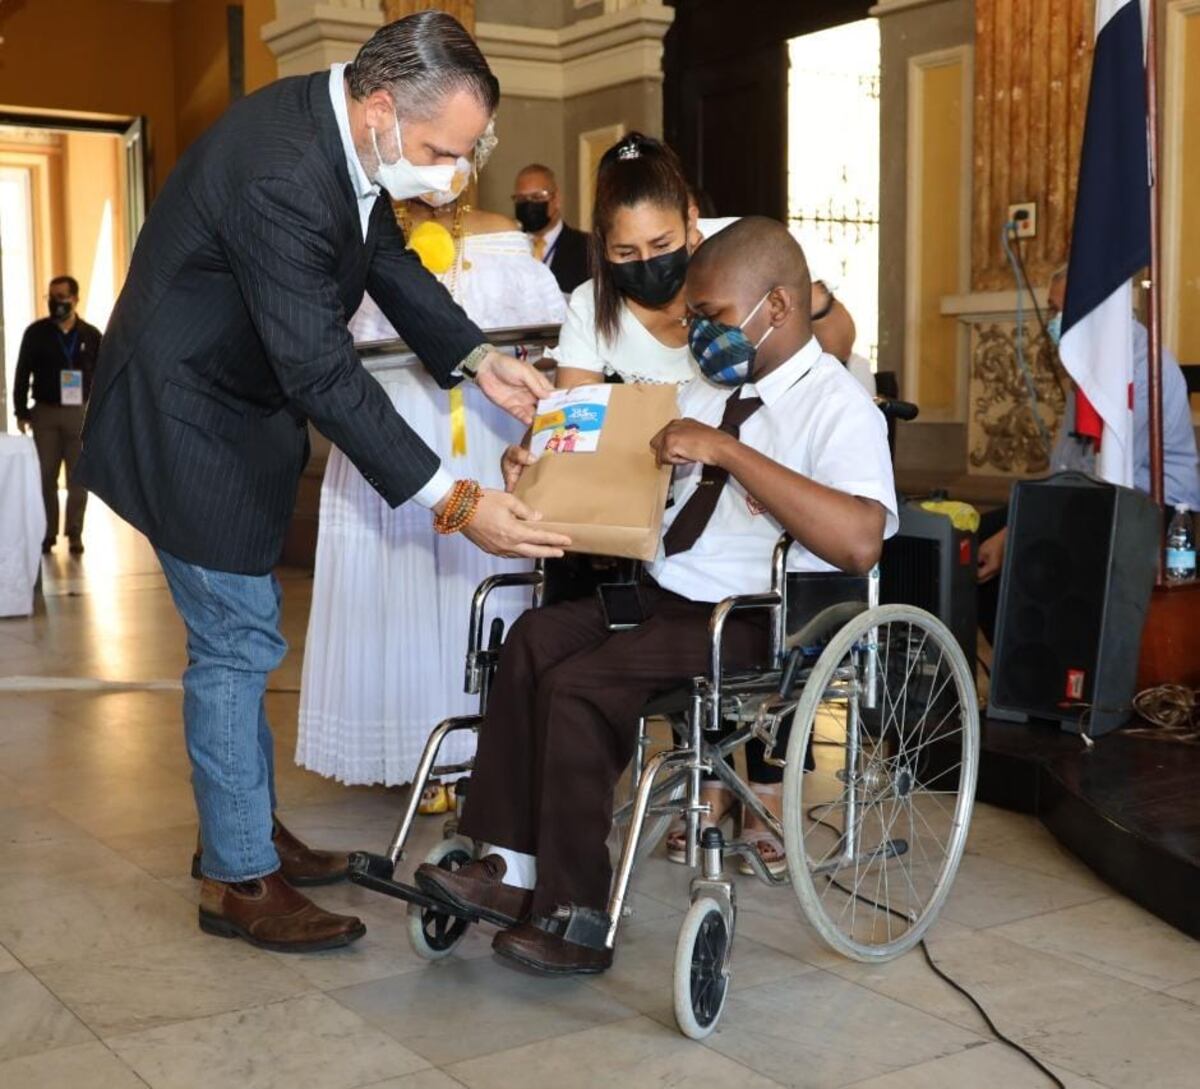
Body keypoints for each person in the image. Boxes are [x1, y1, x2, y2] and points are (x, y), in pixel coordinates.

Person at [74, 12, 569, 955]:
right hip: (183, 417)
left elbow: (380, 255)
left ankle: (245, 829)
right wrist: (458, 503)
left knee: (244, 633)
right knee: (235, 643)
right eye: (442, 150)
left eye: (467, 154)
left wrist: (473, 360)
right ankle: (237, 876)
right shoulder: (281, 174)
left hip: (231, 411)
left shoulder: (342, 135)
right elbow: (323, 375)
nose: (453, 175)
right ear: (382, 106)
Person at [416, 216, 898, 975]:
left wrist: (731, 452)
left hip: (752, 617)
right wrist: (538, 475)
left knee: (580, 684)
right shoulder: (708, 393)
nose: (701, 334)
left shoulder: (837, 407)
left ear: (776, 306)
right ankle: (510, 867)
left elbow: (861, 538)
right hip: (665, 593)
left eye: (712, 317)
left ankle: (574, 914)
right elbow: (632, 485)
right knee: (534, 639)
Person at [296, 185, 566, 795]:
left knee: (477, 572)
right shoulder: (365, 231)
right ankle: (409, 746)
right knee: (396, 580)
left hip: (480, 428)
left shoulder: (503, 236)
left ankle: (481, 747)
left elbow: (542, 345)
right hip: (386, 427)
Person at [976, 267, 1200, 642]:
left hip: (1158, 513)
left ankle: (1059, 671)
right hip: (1091, 498)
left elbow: (1108, 475)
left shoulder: (1144, 368)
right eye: (1050, 309)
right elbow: (1067, 464)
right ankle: (1015, 676)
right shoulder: (1087, 361)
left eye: (1058, 310)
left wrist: (1015, 533)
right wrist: (1012, 525)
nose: (1052, 321)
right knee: (975, 538)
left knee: (1031, 554)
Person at [12, 276, 102, 555]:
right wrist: (21, 410)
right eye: (51, 296)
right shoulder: (36, 333)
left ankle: (75, 532)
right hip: (45, 413)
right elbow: (22, 372)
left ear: (75, 299)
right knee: (46, 476)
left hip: (79, 413)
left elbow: (103, 375)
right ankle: (47, 534)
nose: (56, 302)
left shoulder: (91, 335)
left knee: (79, 477)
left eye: (62, 296)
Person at [512, 163, 590, 294]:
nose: (529, 204)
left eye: (537, 197)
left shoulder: (588, 248)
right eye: (521, 199)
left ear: (557, 199)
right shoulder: (507, 248)